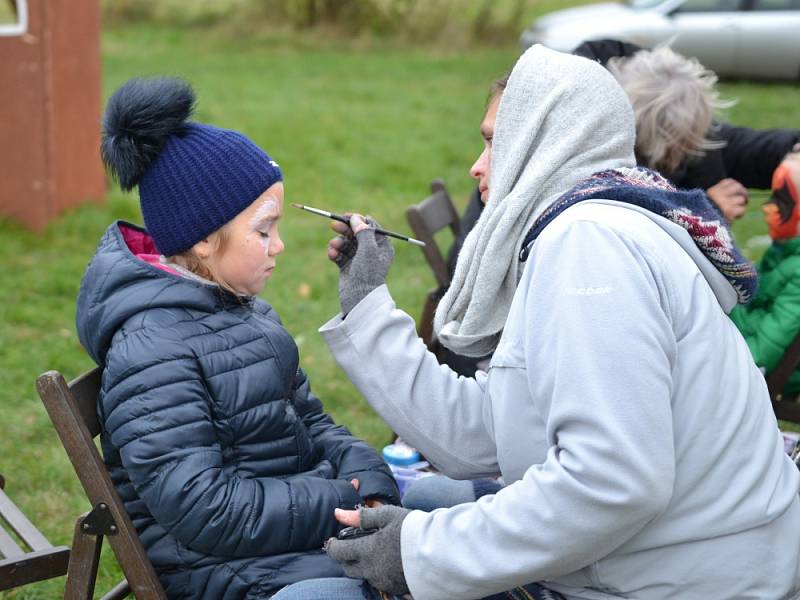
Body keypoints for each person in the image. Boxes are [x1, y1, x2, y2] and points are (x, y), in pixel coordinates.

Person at [278, 45, 800, 599]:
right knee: (429, 501)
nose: (477, 166)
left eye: (491, 140)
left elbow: (612, 484)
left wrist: (420, 553)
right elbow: (484, 431)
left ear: (547, 141)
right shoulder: (591, 227)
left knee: (310, 597)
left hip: (685, 583)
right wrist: (367, 307)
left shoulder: (590, 244)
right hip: (667, 560)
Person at [75, 77, 400, 599]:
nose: (279, 246)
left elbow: (313, 422)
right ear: (204, 239)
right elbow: (205, 508)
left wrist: (371, 482)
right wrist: (343, 498)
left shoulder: (248, 315)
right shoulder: (152, 350)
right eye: (263, 230)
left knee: (441, 528)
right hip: (227, 573)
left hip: (295, 541)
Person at [730, 151, 800, 397]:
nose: (769, 207)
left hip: (772, 370)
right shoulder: (784, 253)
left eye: (781, 200)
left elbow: (766, 350)